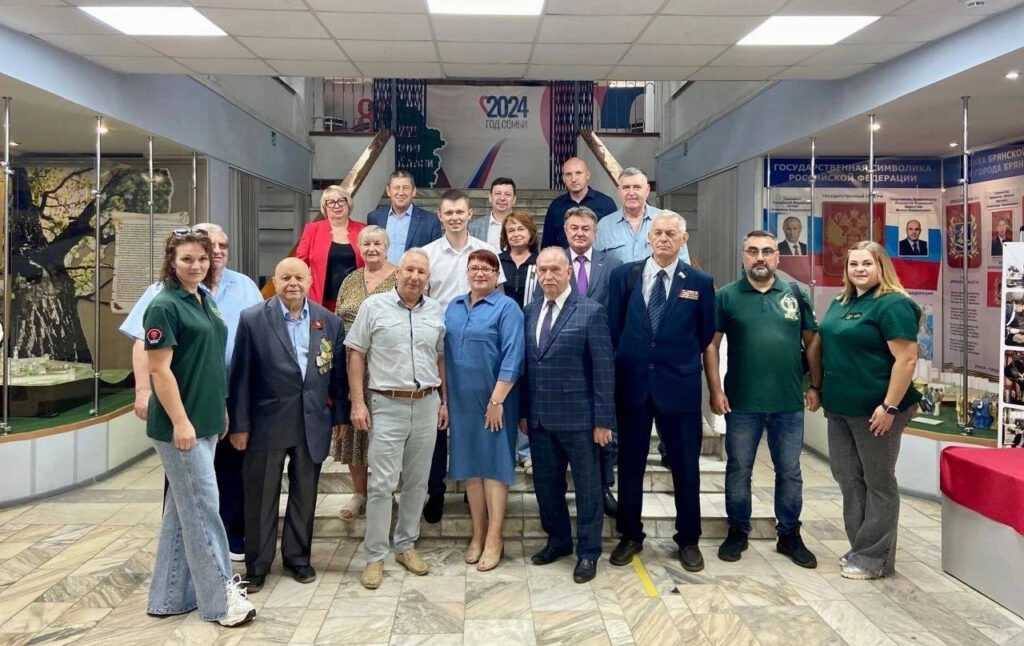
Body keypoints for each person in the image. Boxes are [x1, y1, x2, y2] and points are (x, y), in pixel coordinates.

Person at [119, 222, 262, 562]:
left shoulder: (233, 288)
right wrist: (143, 391)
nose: (212, 255)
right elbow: (145, 347)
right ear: (174, 260)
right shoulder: (163, 297)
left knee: (227, 474)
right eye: (192, 256)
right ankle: (212, 572)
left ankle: (224, 541)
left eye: (220, 247)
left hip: (223, 397)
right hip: (183, 404)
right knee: (193, 494)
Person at [143, 227, 255, 627]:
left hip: (206, 420)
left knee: (182, 513)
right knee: (205, 511)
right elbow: (159, 370)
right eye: (187, 259)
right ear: (172, 262)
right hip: (181, 428)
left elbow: (210, 359)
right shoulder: (164, 305)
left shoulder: (204, 299)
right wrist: (181, 421)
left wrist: (220, 408)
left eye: (202, 258)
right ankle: (220, 601)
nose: (196, 265)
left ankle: (169, 597)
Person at [227, 257, 348, 592]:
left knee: (304, 495)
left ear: (310, 281)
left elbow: (337, 376)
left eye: (299, 277)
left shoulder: (329, 322)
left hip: (313, 422)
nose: (292, 283)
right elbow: (240, 376)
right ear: (275, 281)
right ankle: (258, 565)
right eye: (285, 278)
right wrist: (240, 425)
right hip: (266, 422)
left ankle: (297, 558)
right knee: (261, 496)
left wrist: (340, 416)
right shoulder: (253, 319)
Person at [607, 211, 715, 573]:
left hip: (679, 387)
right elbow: (614, 329)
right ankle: (630, 535)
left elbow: (705, 333)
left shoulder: (699, 281)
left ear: (684, 239)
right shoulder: (625, 276)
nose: (664, 238)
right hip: (633, 387)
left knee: (685, 467)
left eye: (671, 233)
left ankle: (688, 539)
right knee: (630, 465)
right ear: (648, 238)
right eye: (658, 233)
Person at [709, 230, 821, 568]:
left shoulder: (795, 294)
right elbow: (711, 345)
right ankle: (737, 530)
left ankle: (789, 534)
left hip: (788, 403)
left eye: (767, 251)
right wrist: (715, 390)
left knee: (790, 471)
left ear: (777, 257)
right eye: (753, 251)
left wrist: (816, 385)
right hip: (742, 403)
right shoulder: (726, 296)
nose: (760, 257)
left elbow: (813, 342)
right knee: (738, 469)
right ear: (743, 255)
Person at [345, 249, 449, 590]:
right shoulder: (373, 306)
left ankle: (406, 545)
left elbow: (440, 358)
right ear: (398, 272)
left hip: (427, 404)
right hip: (387, 404)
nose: (414, 277)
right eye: (409, 270)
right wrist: (358, 402)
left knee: (417, 483)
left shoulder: (435, 310)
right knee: (382, 484)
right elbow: (356, 354)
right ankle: (375, 555)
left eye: (421, 272)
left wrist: (444, 402)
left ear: (427, 278)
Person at [819, 240, 921, 580]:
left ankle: (875, 559)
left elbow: (907, 359)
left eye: (867, 263)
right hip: (841, 408)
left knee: (878, 481)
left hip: (878, 410)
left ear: (881, 266)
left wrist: (889, 406)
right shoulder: (841, 301)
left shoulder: (893, 304)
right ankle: (860, 548)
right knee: (848, 478)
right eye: (853, 264)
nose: (859, 269)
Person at [520, 247, 614, 584]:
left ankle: (588, 551)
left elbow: (604, 370)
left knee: (588, 490)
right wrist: (523, 412)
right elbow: (527, 366)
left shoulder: (591, 311)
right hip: (539, 420)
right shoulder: (530, 311)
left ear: (569, 272)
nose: (548, 276)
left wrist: (603, 421)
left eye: (555, 270)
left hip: (580, 421)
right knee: (547, 488)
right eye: (542, 270)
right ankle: (558, 541)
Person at [421, 189, 506, 523]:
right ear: (440, 216)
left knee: (476, 420)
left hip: (480, 349)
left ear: (471, 214)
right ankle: (436, 490)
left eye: (460, 212)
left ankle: (476, 491)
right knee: (438, 420)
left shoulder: (487, 251)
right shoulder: (428, 254)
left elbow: (499, 297)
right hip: (440, 347)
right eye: (449, 213)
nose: (455, 217)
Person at [445, 250, 525, 571]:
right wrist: (444, 400)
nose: (480, 273)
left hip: (495, 402)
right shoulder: (453, 307)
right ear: (466, 272)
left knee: (493, 468)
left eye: (487, 269)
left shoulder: (507, 308)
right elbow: (443, 354)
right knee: (471, 469)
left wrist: (496, 400)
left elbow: (514, 356)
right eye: (474, 268)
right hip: (461, 402)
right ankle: (477, 534)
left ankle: (494, 538)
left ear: (497, 275)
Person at [332, 226, 398, 521]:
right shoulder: (350, 279)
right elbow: (337, 320)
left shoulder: (400, 276)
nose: (372, 249)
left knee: (386, 434)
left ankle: (387, 493)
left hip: (388, 365)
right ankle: (359, 492)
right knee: (355, 432)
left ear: (387, 247)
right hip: (350, 364)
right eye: (366, 244)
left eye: (377, 244)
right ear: (359, 248)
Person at [565, 205, 623, 517]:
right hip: (564, 361)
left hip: (602, 357)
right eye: (574, 228)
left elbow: (620, 311)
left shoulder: (613, 265)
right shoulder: (552, 261)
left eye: (585, 228)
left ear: (595, 232)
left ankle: (603, 485)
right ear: (565, 231)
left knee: (604, 423)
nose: (580, 233)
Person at [595, 168, 690, 265]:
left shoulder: (669, 221)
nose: (631, 193)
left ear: (647, 190)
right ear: (619, 192)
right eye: (626, 187)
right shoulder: (604, 226)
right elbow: (596, 266)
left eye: (637, 187)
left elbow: (683, 265)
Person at [296, 185, 366, 311]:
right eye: (331, 202)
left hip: (356, 301)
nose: (336, 206)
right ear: (325, 207)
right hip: (321, 302)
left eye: (341, 201)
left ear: (348, 204)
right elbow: (299, 264)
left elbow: (374, 263)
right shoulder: (312, 230)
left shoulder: (363, 229)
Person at [367, 170, 443, 265]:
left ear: (414, 191)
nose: (401, 193)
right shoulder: (375, 218)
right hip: (382, 273)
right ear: (388, 191)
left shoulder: (430, 221)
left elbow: (436, 257)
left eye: (406, 188)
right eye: (396, 188)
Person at [541, 157, 616, 249]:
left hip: (598, 257)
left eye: (578, 173)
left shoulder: (606, 204)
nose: (573, 179)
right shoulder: (556, 206)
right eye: (568, 174)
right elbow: (547, 244)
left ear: (587, 175)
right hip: (564, 257)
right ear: (563, 178)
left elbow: (614, 240)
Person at [497, 211, 539, 308]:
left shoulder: (540, 262)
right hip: (503, 316)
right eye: (511, 230)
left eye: (521, 229)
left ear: (530, 232)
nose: (516, 234)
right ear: (505, 235)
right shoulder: (497, 261)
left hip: (532, 315)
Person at [469, 177, 517, 248]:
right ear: (490, 197)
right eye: (498, 193)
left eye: (507, 194)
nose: (502, 198)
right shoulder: (474, 227)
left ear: (514, 200)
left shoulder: (525, 227)